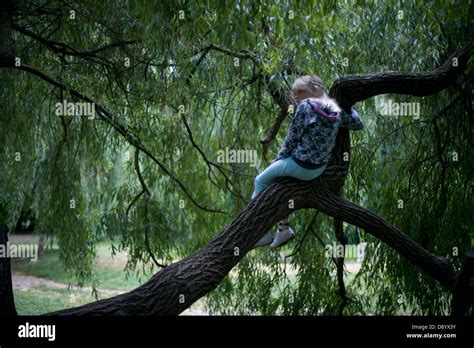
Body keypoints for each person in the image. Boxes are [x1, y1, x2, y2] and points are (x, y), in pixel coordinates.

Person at [252, 75, 364, 249]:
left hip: (300, 164)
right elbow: (357, 123)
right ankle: (283, 229)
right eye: (294, 92)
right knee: (281, 185)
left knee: (260, 180)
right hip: (317, 168)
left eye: (300, 91)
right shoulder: (332, 108)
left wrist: (278, 158)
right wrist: (348, 109)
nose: (295, 96)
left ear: (314, 90)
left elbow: (292, 138)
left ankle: (260, 233)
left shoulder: (305, 106)